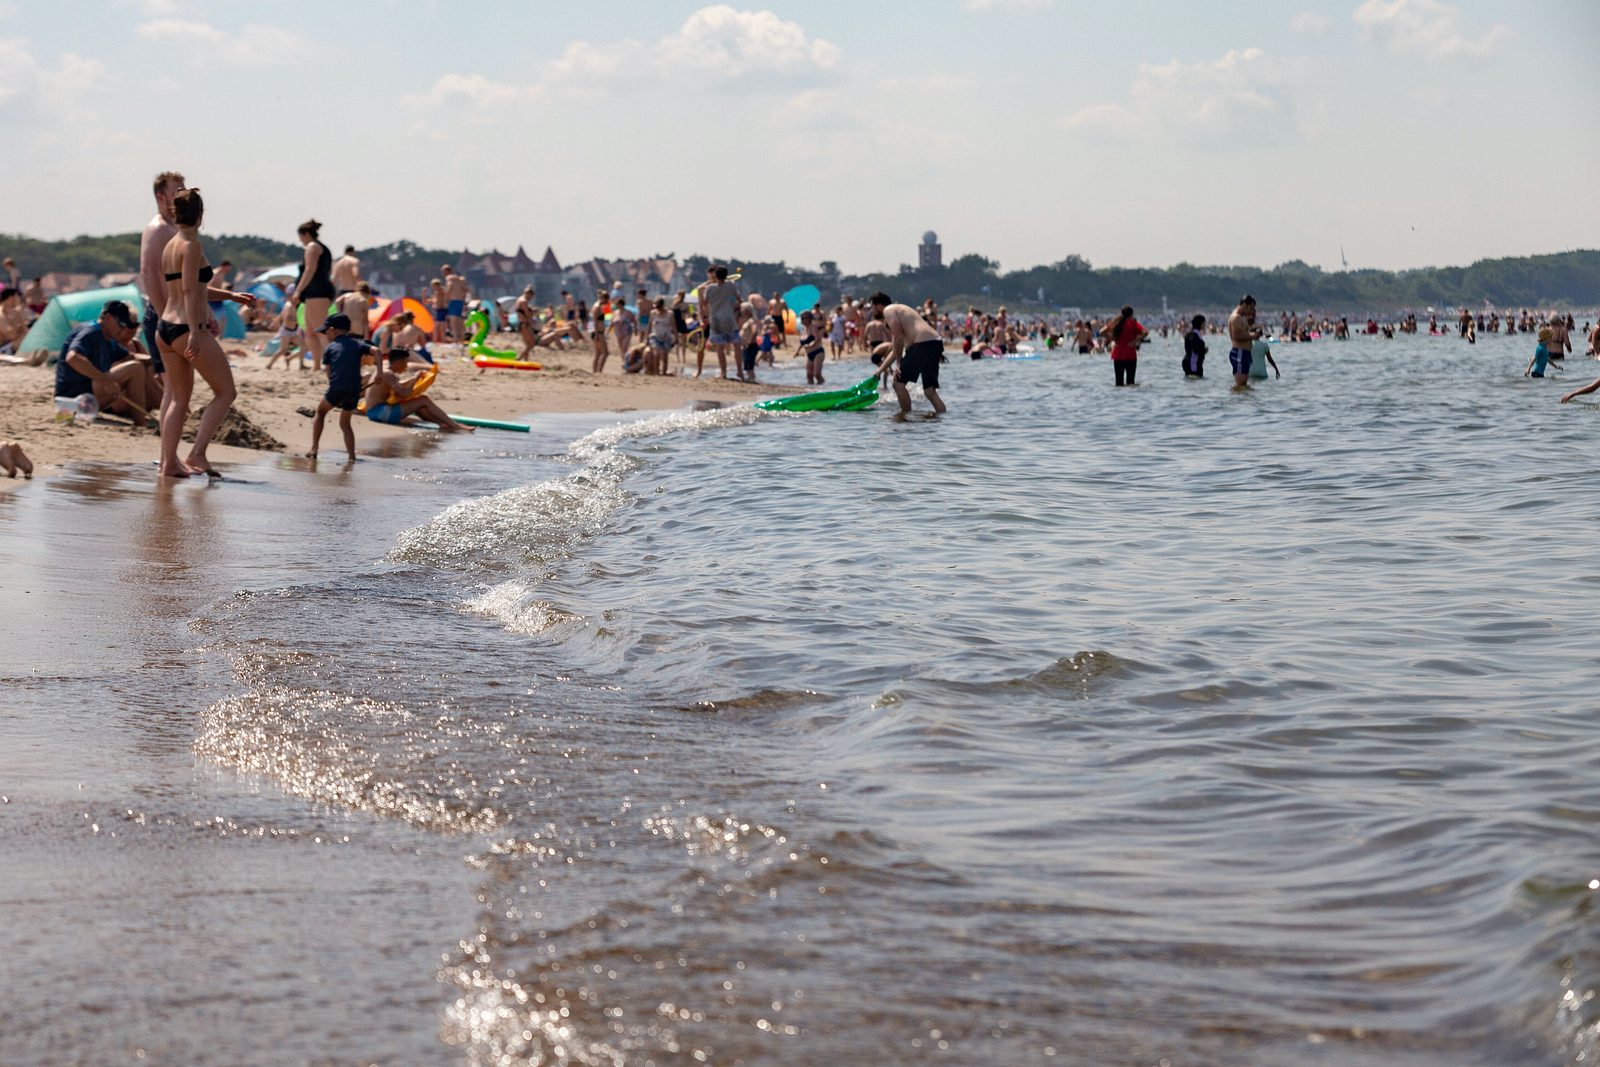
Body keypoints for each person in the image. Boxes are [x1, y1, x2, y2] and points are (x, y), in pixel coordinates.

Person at [155, 187, 257, 478]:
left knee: (178, 399)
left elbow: (191, 287)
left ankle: (168, 463)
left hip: (165, 328)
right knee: (226, 392)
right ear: (201, 214)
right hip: (186, 327)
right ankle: (197, 454)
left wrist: (231, 296)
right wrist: (197, 332)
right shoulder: (192, 245)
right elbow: (189, 289)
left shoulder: (171, 244)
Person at [55, 300, 159, 424]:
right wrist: (105, 380)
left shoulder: (108, 339)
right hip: (72, 400)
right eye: (121, 324)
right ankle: (141, 422)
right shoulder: (91, 332)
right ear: (108, 318)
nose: (122, 330)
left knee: (142, 366)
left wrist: (158, 361)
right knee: (135, 369)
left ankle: (169, 412)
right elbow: (72, 358)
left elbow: (131, 357)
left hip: (88, 400)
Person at [138, 170, 184, 393]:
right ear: (161, 196)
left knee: (178, 387)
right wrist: (164, 315)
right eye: (177, 191)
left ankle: (177, 426)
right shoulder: (158, 229)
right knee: (174, 388)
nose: (183, 195)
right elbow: (148, 272)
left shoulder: (175, 228)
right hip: (163, 314)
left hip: (174, 313)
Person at [869, 292, 946, 416]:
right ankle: (943, 420)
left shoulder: (889, 310)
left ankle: (905, 419)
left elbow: (898, 338)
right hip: (934, 343)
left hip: (923, 344)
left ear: (878, 306)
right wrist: (880, 370)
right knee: (929, 391)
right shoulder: (901, 313)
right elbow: (896, 349)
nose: (871, 311)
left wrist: (899, 364)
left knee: (897, 384)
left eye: (871, 307)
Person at [309, 313, 372, 462]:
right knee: (345, 423)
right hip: (354, 390)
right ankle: (351, 456)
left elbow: (329, 372)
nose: (325, 335)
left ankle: (314, 449)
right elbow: (377, 352)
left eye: (325, 332)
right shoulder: (358, 344)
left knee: (320, 412)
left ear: (332, 330)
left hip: (337, 388)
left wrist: (334, 388)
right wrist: (380, 373)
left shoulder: (330, 348)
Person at [363, 349, 471, 432]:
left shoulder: (383, 371)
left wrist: (416, 378)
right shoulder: (389, 375)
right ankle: (455, 426)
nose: (406, 367)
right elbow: (404, 394)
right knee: (423, 400)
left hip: (373, 413)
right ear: (399, 362)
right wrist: (415, 378)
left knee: (417, 404)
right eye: (405, 363)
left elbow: (398, 386)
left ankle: (442, 424)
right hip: (380, 413)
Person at [288, 219, 335, 374]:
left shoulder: (312, 246)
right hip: (316, 292)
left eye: (300, 237)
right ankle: (317, 366)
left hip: (317, 292)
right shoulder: (322, 247)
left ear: (305, 234)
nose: (300, 241)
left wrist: (297, 291)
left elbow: (310, 270)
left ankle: (331, 364)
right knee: (310, 332)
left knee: (320, 331)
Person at [699, 264, 740, 379]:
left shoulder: (710, 288)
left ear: (715, 276)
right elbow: (738, 300)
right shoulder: (730, 286)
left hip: (715, 321)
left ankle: (724, 373)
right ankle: (739, 371)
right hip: (723, 320)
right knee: (735, 346)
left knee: (720, 348)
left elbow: (703, 303)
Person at [1101, 305, 1146, 386]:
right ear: (1131, 314)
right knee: (1131, 382)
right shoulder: (1133, 323)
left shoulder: (1115, 323)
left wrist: (1112, 339)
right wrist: (1134, 341)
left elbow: (1101, 332)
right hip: (1130, 355)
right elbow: (1145, 332)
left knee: (1118, 383)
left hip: (1118, 355)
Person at [1227, 295, 1262, 389]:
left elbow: (1244, 333)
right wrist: (1253, 336)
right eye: (1250, 308)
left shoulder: (1242, 317)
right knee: (1240, 384)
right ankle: (1238, 402)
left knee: (1244, 386)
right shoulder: (1236, 318)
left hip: (1245, 353)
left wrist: (1254, 332)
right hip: (1239, 352)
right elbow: (1237, 336)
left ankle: (1244, 402)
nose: (1251, 311)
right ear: (1244, 305)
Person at [442, 265, 468, 343]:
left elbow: (449, 288)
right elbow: (465, 289)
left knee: (453, 320)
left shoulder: (449, 278)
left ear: (446, 271)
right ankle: (462, 337)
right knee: (459, 319)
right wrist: (463, 298)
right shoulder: (459, 279)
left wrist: (445, 299)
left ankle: (456, 338)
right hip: (460, 301)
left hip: (453, 301)